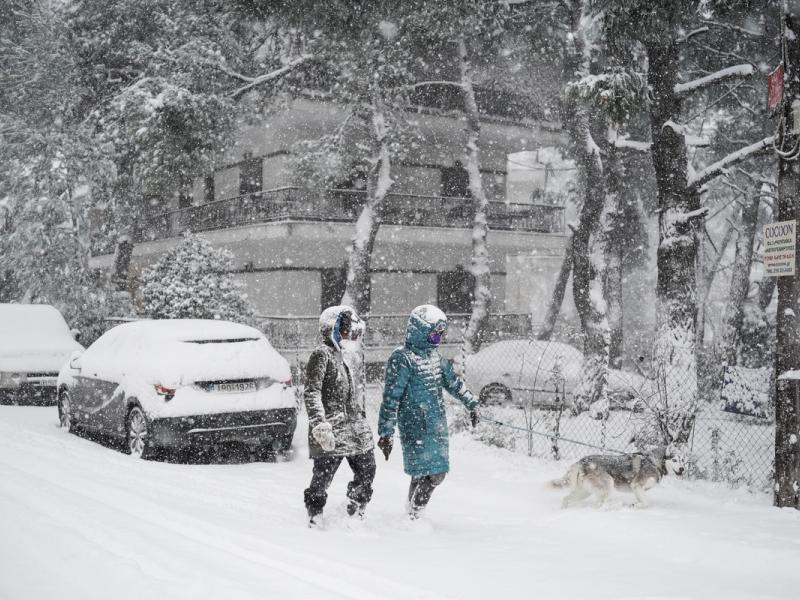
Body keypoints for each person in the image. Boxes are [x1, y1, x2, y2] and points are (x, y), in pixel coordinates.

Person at [377, 304, 479, 519]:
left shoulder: (436, 359)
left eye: (440, 335)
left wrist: (472, 403)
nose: (437, 340)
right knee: (435, 474)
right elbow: (390, 399)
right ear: (420, 331)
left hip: (436, 425)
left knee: (424, 472)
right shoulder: (402, 359)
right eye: (434, 335)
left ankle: (411, 515)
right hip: (415, 426)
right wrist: (386, 433)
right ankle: (415, 514)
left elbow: (454, 384)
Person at [303, 305, 375, 527]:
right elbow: (311, 391)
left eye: (351, 331)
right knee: (323, 475)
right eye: (344, 330)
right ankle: (315, 514)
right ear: (332, 329)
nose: (349, 335)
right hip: (330, 428)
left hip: (354, 427)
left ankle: (354, 508)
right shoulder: (321, 355)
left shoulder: (347, 356)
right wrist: (319, 424)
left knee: (367, 467)